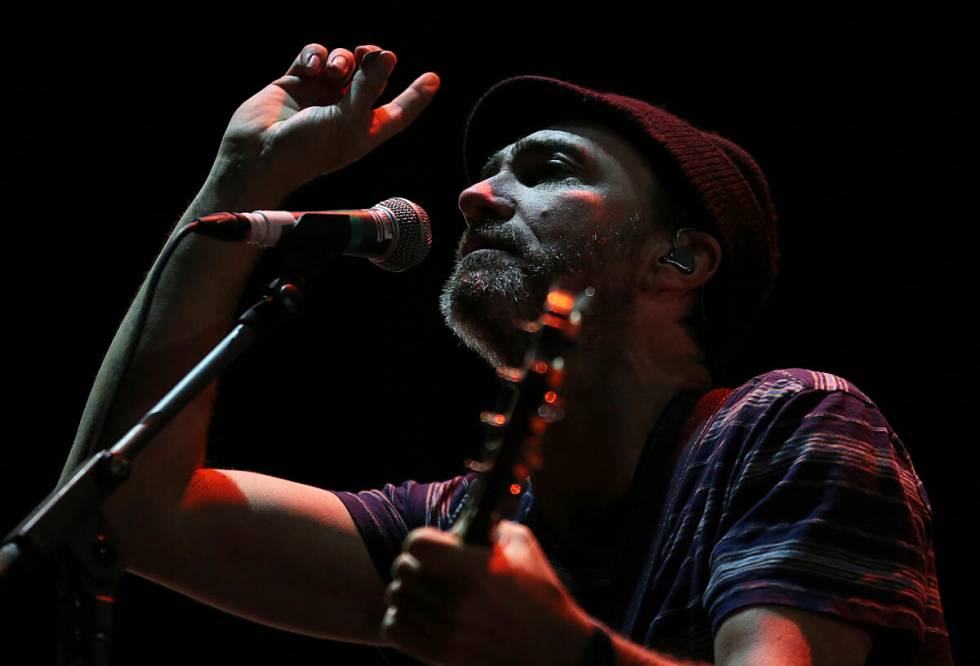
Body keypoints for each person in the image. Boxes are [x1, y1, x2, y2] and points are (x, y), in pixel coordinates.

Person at [58, 42, 951, 665]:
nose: (476, 197)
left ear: (677, 259)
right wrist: (239, 185)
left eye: (549, 167)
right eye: (490, 170)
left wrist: (559, 652)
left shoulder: (790, 425)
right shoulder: (467, 524)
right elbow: (123, 509)